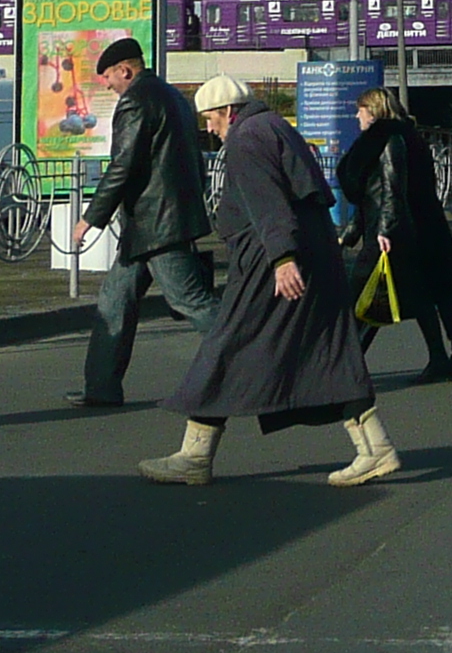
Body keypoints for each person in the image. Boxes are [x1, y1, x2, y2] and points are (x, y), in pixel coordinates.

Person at [146, 75, 394, 488]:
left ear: (227, 110)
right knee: (326, 349)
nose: (209, 128)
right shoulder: (275, 125)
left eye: (210, 118)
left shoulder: (246, 139)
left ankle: (195, 455)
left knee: (227, 344)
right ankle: (376, 448)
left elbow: (268, 203)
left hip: (272, 263)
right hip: (310, 254)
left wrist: (282, 258)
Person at [68, 37, 217, 410]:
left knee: (193, 302)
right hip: (157, 223)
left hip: (156, 225)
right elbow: (193, 160)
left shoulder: (136, 100)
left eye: (108, 77)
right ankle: (101, 387)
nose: (107, 85)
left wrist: (90, 217)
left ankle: (266, 363)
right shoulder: (173, 97)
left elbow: (124, 163)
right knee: (114, 301)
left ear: (125, 70)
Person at [338, 90, 452, 382]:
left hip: (400, 230)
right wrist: (352, 232)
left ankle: (345, 369)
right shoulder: (407, 136)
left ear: (372, 110)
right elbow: (375, 195)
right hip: (420, 225)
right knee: (430, 294)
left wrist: (384, 229)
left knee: (370, 295)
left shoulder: (386, 140)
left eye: (360, 110)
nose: (356, 116)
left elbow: (390, 190)